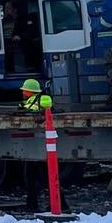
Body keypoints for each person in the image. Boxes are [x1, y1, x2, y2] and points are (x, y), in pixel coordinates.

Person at [18, 79, 67, 212]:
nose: (22, 92)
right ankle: (34, 203)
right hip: (41, 142)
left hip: (43, 142)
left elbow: (34, 108)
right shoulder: (34, 100)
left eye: (24, 90)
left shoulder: (40, 99)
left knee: (40, 176)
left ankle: (54, 203)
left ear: (29, 91)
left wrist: (21, 108)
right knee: (35, 175)